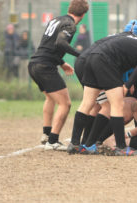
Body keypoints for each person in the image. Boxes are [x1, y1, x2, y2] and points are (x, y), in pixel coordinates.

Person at [68, 29, 137, 156]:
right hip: (106, 62)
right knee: (117, 104)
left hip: (91, 57)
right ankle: (120, 147)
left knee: (87, 103)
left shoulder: (134, 38)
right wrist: (127, 85)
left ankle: (74, 144)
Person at [29, 0, 89, 151]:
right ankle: (53, 141)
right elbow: (60, 43)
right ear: (83, 15)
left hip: (34, 64)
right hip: (45, 66)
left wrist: (61, 63)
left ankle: (46, 134)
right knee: (65, 104)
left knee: (50, 97)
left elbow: (49, 44)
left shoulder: (56, 20)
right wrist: (80, 55)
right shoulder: (70, 25)